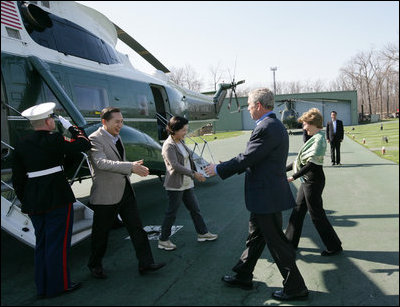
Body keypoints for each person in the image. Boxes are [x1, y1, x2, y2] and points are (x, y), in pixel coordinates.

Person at [205, 88, 308, 301]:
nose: (249, 110)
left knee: (277, 243)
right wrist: (227, 165)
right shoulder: (272, 125)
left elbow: (248, 158)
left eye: (250, 106)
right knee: (256, 237)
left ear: (259, 106)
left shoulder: (267, 127)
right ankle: (243, 274)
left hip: (266, 195)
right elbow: (257, 158)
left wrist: (218, 169)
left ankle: (296, 287)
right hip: (266, 194)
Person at [11, 102, 91, 298]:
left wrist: (25, 200)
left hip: (33, 200)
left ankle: (43, 286)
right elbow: (84, 143)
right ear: (48, 121)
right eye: (52, 119)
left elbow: (18, 179)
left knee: (43, 244)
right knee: (58, 244)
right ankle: (59, 286)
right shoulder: (55, 139)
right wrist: (72, 128)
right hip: (57, 198)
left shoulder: (20, 144)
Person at [87, 107, 165, 279]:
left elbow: (116, 162)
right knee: (101, 234)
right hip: (106, 196)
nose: (120, 125)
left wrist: (130, 164)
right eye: (117, 122)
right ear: (104, 122)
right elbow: (101, 163)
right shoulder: (94, 139)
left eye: (122, 121)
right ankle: (95, 265)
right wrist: (130, 167)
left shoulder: (117, 137)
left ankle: (146, 263)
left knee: (137, 229)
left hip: (125, 191)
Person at [285, 108, 343, 257]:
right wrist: (282, 171)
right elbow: (299, 161)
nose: (304, 128)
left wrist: (293, 177)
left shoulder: (319, 140)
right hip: (307, 181)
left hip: (313, 182)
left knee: (317, 215)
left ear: (312, 124)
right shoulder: (314, 138)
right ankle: (289, 243)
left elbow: (311, 164)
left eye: (305, 124)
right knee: (298, 210)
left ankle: (334, 245)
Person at [158, 116, 218, 251]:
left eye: (186, 129)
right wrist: (194, 174)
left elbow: (189, 159)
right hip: (175, 185)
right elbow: (174, 166)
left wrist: (200, 171)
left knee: (195, 210)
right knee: (171, 213)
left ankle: (202, 233)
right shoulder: (169, 145)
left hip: (186, 183)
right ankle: (163, 240)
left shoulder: (180, 141)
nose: (186, 132)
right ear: (174, 130)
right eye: (183, 130)